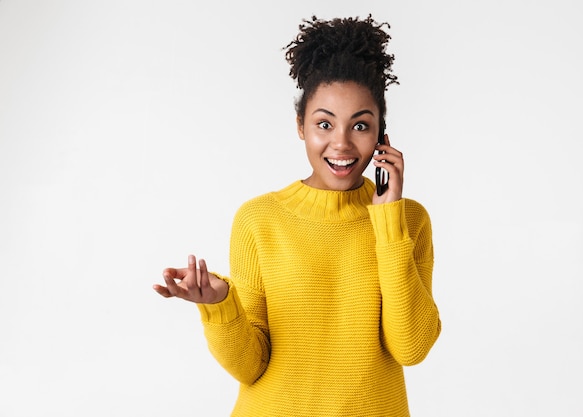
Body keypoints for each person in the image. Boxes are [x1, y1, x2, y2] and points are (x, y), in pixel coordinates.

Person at [153, 15, 441, 416]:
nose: (341, 143)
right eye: (324, 123)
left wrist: (388, 221)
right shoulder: (259, 220)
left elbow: (411, 347)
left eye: (360, 125)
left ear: (381, 136)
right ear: (301, 127)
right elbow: (251, 367)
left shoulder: (408, 221)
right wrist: (220, 305)